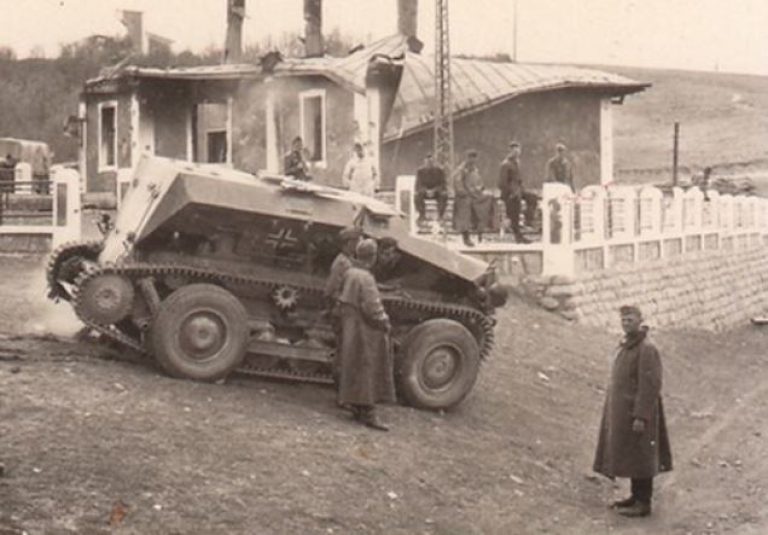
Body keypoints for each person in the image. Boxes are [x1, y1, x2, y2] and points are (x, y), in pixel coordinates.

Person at [593, 305, 673, 518]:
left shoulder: (647, 349)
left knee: (642, 455)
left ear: (640, 320)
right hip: (623, 412)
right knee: (631, 454)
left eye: (630, 320)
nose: (626, 323)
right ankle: (634, 496)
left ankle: (643, 502)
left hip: (637, 414)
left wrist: (641, 415)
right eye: (623, 320)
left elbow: (650, 385)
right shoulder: (627, 345)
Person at [337, 239, 396, 431]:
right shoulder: (366, 278)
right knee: (369, 368)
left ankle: (355, 405)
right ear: (372, 257)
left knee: (354, 365)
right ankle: (369, 412)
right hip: (366, 328)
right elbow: (373, 307)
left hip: (350, 324)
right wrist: (385, 322)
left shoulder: (350, 272)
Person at [324, 227, 362, 385]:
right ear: (349, 243)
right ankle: (340, 384)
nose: (357, 245)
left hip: (344, 307)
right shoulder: (342, 262)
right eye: (355, 242)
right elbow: (331, 288)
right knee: (343, 349)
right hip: (341, 309)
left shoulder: (347, 261)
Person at [452, 150, 493, 247]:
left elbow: (479, 183)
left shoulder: (475, 170)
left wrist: (480, 189)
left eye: (474, 158)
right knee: (465, 207)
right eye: (471, 157)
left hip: (474, 195)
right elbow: (458, 185)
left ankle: (484, 227)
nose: (473, 160)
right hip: (464, 196)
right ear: (467, 158)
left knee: (489, 198)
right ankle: (466, 236)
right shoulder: (461, 170)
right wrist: (465, 192)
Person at [498, 142, 531, 244]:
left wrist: (522, 190)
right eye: (514, 151)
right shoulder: (505, 164)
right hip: (510, 195)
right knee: (514, 215)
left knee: (533, 199)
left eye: (518, 150)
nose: (517, 153)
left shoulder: (517, 163)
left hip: (518, 192)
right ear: (510, 151)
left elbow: (519, 180)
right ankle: (518, 236)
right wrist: (510, 193)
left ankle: (529, 221)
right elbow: (502, 183)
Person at [414, 153, 448, 221]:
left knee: (444, 195)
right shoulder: (420, 171)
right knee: (417, 196)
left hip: (436, 192)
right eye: (428, 162)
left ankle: (440, 215)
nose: (429, 164)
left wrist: (434, 190)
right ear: (424, 162)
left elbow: (443, 184)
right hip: (424, 192)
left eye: (431, 162)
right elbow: (418, 184)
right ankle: (422, 215)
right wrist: (426, 191)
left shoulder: (440, 171)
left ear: (434, 162)